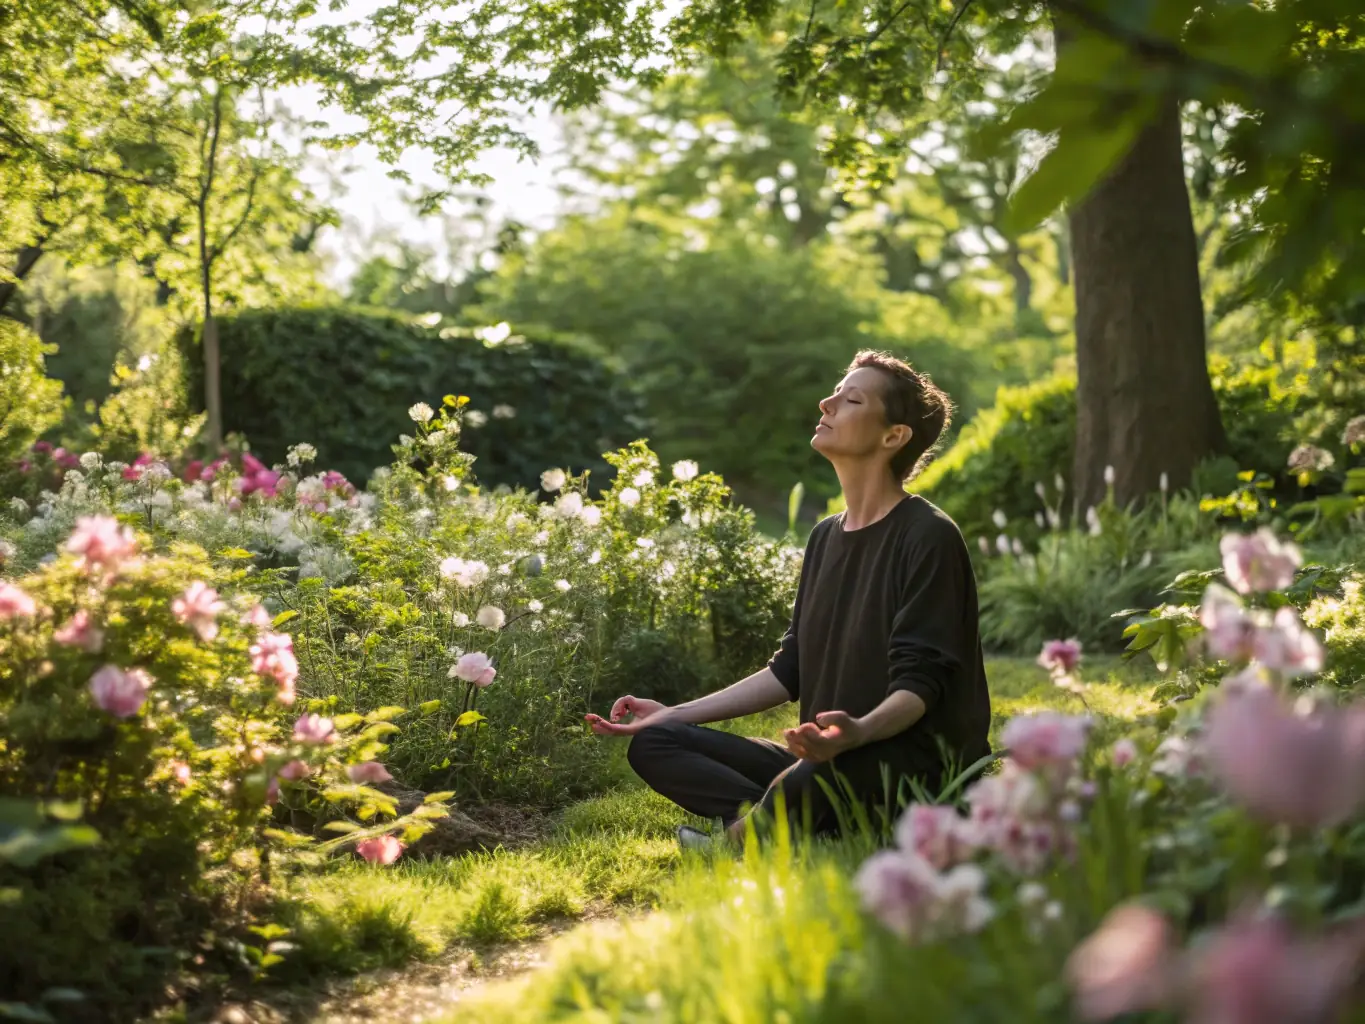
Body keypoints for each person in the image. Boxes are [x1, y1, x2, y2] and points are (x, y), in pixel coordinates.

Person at [584, 350, 992, 848]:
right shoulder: (825, 537)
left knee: (815, 776)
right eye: (835, 392)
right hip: (827, 760)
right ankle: (800, 818)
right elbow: (789, 669)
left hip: (910, 766)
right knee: (656, 743)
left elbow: (921, 685)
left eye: (851, 398)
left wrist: (860, 732)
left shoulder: (928, 536)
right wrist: (671, 713)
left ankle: (742, 840)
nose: (826, 403)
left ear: (893, 436)